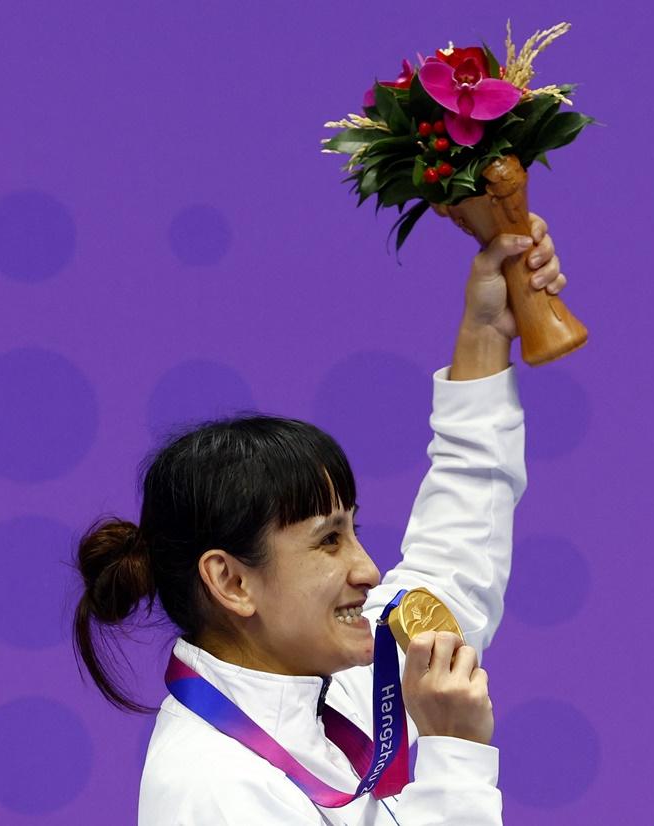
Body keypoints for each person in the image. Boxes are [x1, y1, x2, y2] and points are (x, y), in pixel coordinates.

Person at [71, 214, 568, 825]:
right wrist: (455, 756)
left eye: (353, 530)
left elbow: (459, 545)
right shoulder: (209, 791)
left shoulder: (344, 676)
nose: (368, 568)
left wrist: (486, 331)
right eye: (329, 541)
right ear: (231, 581)